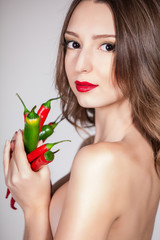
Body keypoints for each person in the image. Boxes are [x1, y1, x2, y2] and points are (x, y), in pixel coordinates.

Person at [3, 0, 160, 239]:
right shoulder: (146, 150)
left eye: (108, 46)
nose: (81, 65)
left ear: (146, 51)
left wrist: (34, 209)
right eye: (74, 43)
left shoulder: (99, 162)